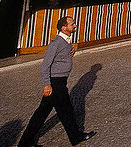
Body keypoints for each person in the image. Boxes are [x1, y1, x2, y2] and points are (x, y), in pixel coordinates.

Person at [17, 15, 96, 147]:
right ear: (64, 28)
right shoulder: (56, 43)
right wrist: (47, 84)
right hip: (55, 83)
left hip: (59, 81)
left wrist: (71, 51)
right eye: (72, 24)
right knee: (66, 111)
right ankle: (75, 137)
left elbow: (61, 58)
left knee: (42, 113)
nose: (75, 25)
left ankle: (25, 143)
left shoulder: (64, 42)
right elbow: (45, 65)